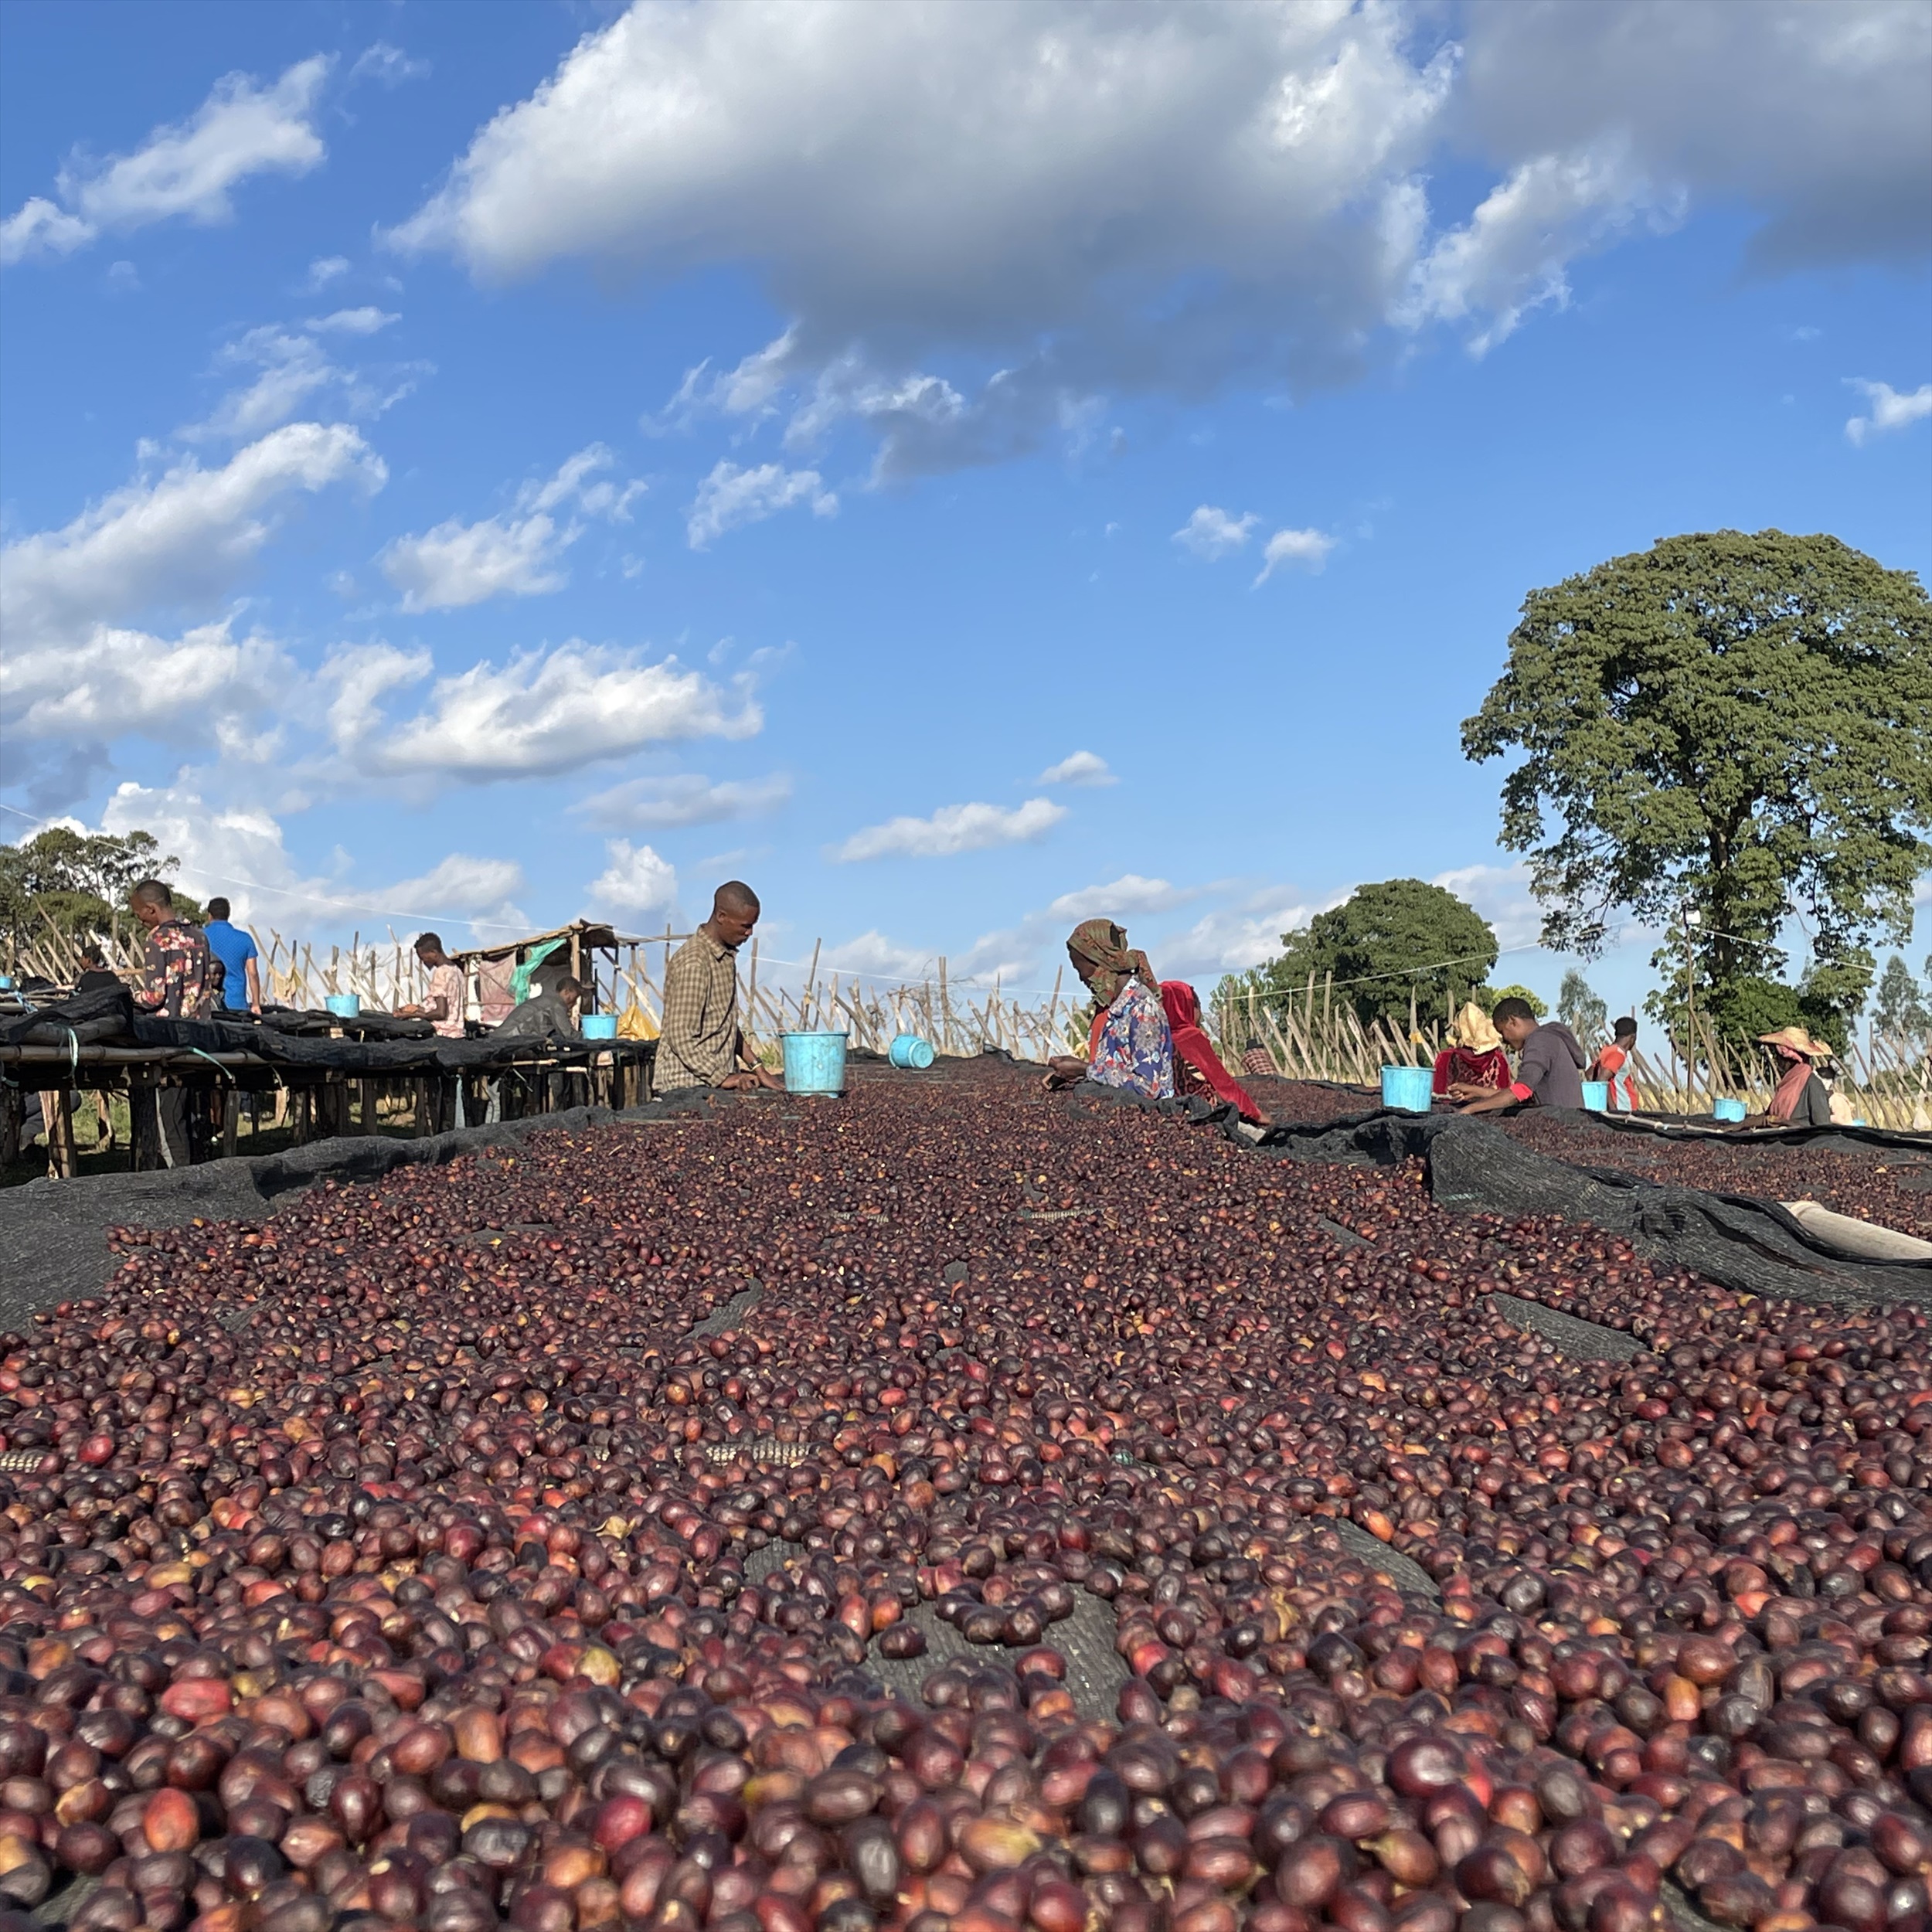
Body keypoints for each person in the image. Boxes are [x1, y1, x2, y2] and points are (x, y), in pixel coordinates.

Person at [657, 883, 784, 1092]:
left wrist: (759, 1069)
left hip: (711, 1084)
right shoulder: (695, 963)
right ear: (722, 917)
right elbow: (680, 1034)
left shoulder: (723, 959)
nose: (750, 933)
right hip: (685, 1086)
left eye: (752, 925)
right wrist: (722, 1078)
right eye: (745, 926)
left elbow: (727, 1025)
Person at [128, 879, 213, 1168]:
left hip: (168, 1037)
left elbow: (154, 996)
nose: (138, 918)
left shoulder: (157, 940)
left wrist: (129, 998)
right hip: (200, 1034)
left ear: (151, 910)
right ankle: (199, 1167)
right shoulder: (200, 937)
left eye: (138, 912)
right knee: (192, 1112)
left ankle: (181, 1176)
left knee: (169, 1116)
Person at [1045, 920, 1174, 1100]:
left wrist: (1084, 1070)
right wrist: (1073, 1074)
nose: (1082, 978)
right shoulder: (1115, 1010)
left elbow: (1148, 1088)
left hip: (1145, 1119)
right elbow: (1114, 1073)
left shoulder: (1143, 1010)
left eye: (1080, 969)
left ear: (1101, 963)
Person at [1161, 981, 1270, 1124]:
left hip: (1167, 1113)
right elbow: (1223, 1083)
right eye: (1195, 1006)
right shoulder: (1192, 1038)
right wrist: (1255, 1114)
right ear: (1183, 1008)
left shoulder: (1156, 1038)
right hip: (1200, 1116)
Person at [1458, 996, 1587, 1113]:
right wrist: (1477, 1091)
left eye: (1502, 1032)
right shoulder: (1549, 1038)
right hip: (1572, 1120)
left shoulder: (1539, 1041)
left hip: (1565, 1126)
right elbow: (1521, 1093)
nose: (1504, 1040)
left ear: (1512, 1022)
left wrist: (1471, 1109)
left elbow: (1521, 1091)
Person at [1743, 1026, 1833, 1127]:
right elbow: (1770, 1116)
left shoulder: (1813, 1084)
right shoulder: (1787, 1084)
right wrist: (1745, 1123)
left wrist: (1786, 1123)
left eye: (1779, 1056)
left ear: (1790, 1059)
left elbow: (1823, 1127)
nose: (1777, 1061)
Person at [1434, 1002, 1512, 1100]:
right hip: (1491, 1111)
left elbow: (1438, 1093)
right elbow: (1505, 1093)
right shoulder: (1498, 1059)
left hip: (1454, 1112)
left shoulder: (1446, 1057)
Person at [396, 934, 468, 1039]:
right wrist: (416, 1009)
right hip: (457, 1033)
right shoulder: (456, 970)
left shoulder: (441, 973)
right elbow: (449, 1008)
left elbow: (440, 1013)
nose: (423, 962)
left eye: (423, 958)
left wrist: (411, 1015)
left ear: (433, 952)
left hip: (442, 1034)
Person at [201, 898, 262, 1013]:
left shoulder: (199, 937)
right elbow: (253, 973)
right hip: (236, 1004)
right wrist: (256, 1004)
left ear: (210, 915)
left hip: (207, 1004)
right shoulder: (245, 939)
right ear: (228, 915)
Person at [493, 975, 583, 1039]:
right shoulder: (557, 1004)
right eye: (574, 998)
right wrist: (589, 1037)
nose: (574, 1003)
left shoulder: (548, 999)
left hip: (504, 1036)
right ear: (566, 992)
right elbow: (568, 1034)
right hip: (509, 1038)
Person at [1589, 1016, 1641, 1111]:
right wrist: (1613, 1109)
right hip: (1622, 1110)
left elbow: (1589, 1075)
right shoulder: (1618, 1054)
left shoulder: (1607, 1051)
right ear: (1633, 1037)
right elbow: (1602, 1079)